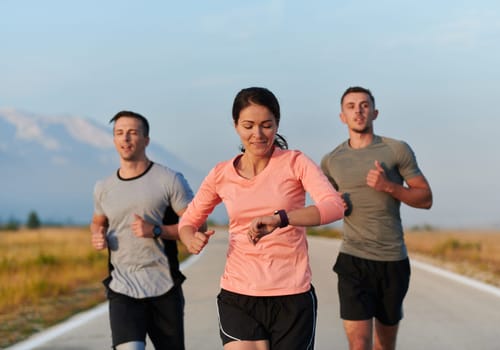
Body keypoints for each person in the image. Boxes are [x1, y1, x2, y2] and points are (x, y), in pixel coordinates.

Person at [178, 87, 345, 350]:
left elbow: (335, 206)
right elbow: (187, 222)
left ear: (277, 124)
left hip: (292, 296)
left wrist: (283, 218)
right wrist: (190, 238)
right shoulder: (221, 174)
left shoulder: (295, 162)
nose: (257, 134)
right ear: (235, 126)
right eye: (248, 125)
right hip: (239, 294)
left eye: (267, 125)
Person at [321, 86, 433, 350]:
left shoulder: (396, 150)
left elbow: (426, 198)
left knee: (385, 344)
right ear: (342, 116)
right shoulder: (331, 161)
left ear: (374, 112)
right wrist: (335, 206)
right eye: (351, 106)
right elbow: (324, 205)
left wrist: (389, 187)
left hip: (392, 261)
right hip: (353, 259)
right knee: (359, 344)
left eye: (364, 105)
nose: (358, 111)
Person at [90, 110, 199, 350]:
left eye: (132, 133)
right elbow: (98, 221)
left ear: (146, 140)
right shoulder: (103, 187)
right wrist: (97, 235)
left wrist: (157, 231)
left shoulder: (169, 180)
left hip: (163, 286)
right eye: (119, 133)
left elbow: (197, 224)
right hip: (122, 286)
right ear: (114, 139)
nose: (125, 139)